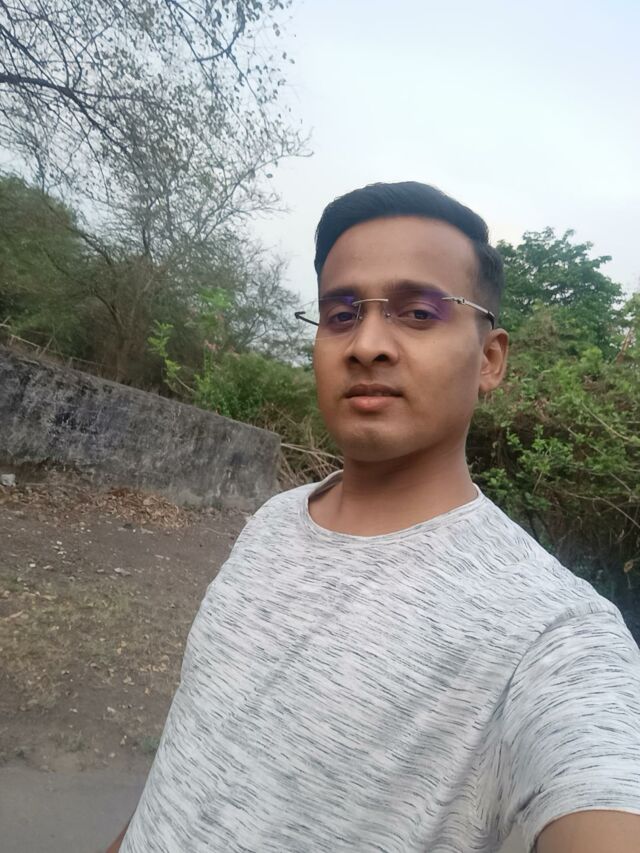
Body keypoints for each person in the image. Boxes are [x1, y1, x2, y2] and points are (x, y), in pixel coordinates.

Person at [109, 182, 640, 853]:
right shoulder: (274, 519)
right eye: (341, 314)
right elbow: (191, 760)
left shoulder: (555, 633)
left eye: (418, 312)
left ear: (490, 360)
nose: (366, 344)